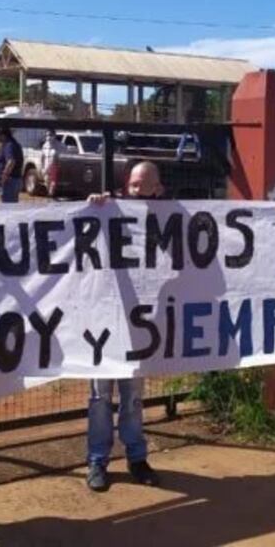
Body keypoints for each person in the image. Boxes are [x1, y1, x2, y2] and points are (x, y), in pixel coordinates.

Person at [83, 161, 164, 492]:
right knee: (100, 396)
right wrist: (93, 208)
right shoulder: (108, 212)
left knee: (132, 397)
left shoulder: (166, 221)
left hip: (139, 326)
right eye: (132, 184)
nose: (135, 190)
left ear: (157, 189)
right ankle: (97, 460)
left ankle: (136, 457)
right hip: (103, 323)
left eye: (142, 185)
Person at [0, 126, 24, 203]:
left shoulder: (9, 145)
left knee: (7, 209)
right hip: (15, 180)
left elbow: (11, 161)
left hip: (9, 182)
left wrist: (3, 178)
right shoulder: (16, 144)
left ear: (3, 135)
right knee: (12, 207)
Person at [40, 130, 62, 197]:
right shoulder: (45, 145)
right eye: (47, 135)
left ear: (54, 136)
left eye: (50, 135)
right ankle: (49, 195)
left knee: (53, 183)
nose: (48, 137)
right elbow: (42, 157)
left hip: (54, 167)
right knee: (47, 182)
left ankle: (51, 195)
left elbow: (60, 157)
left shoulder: (58, 145)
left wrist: (58, 167)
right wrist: (42, 167)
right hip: (46, 166)